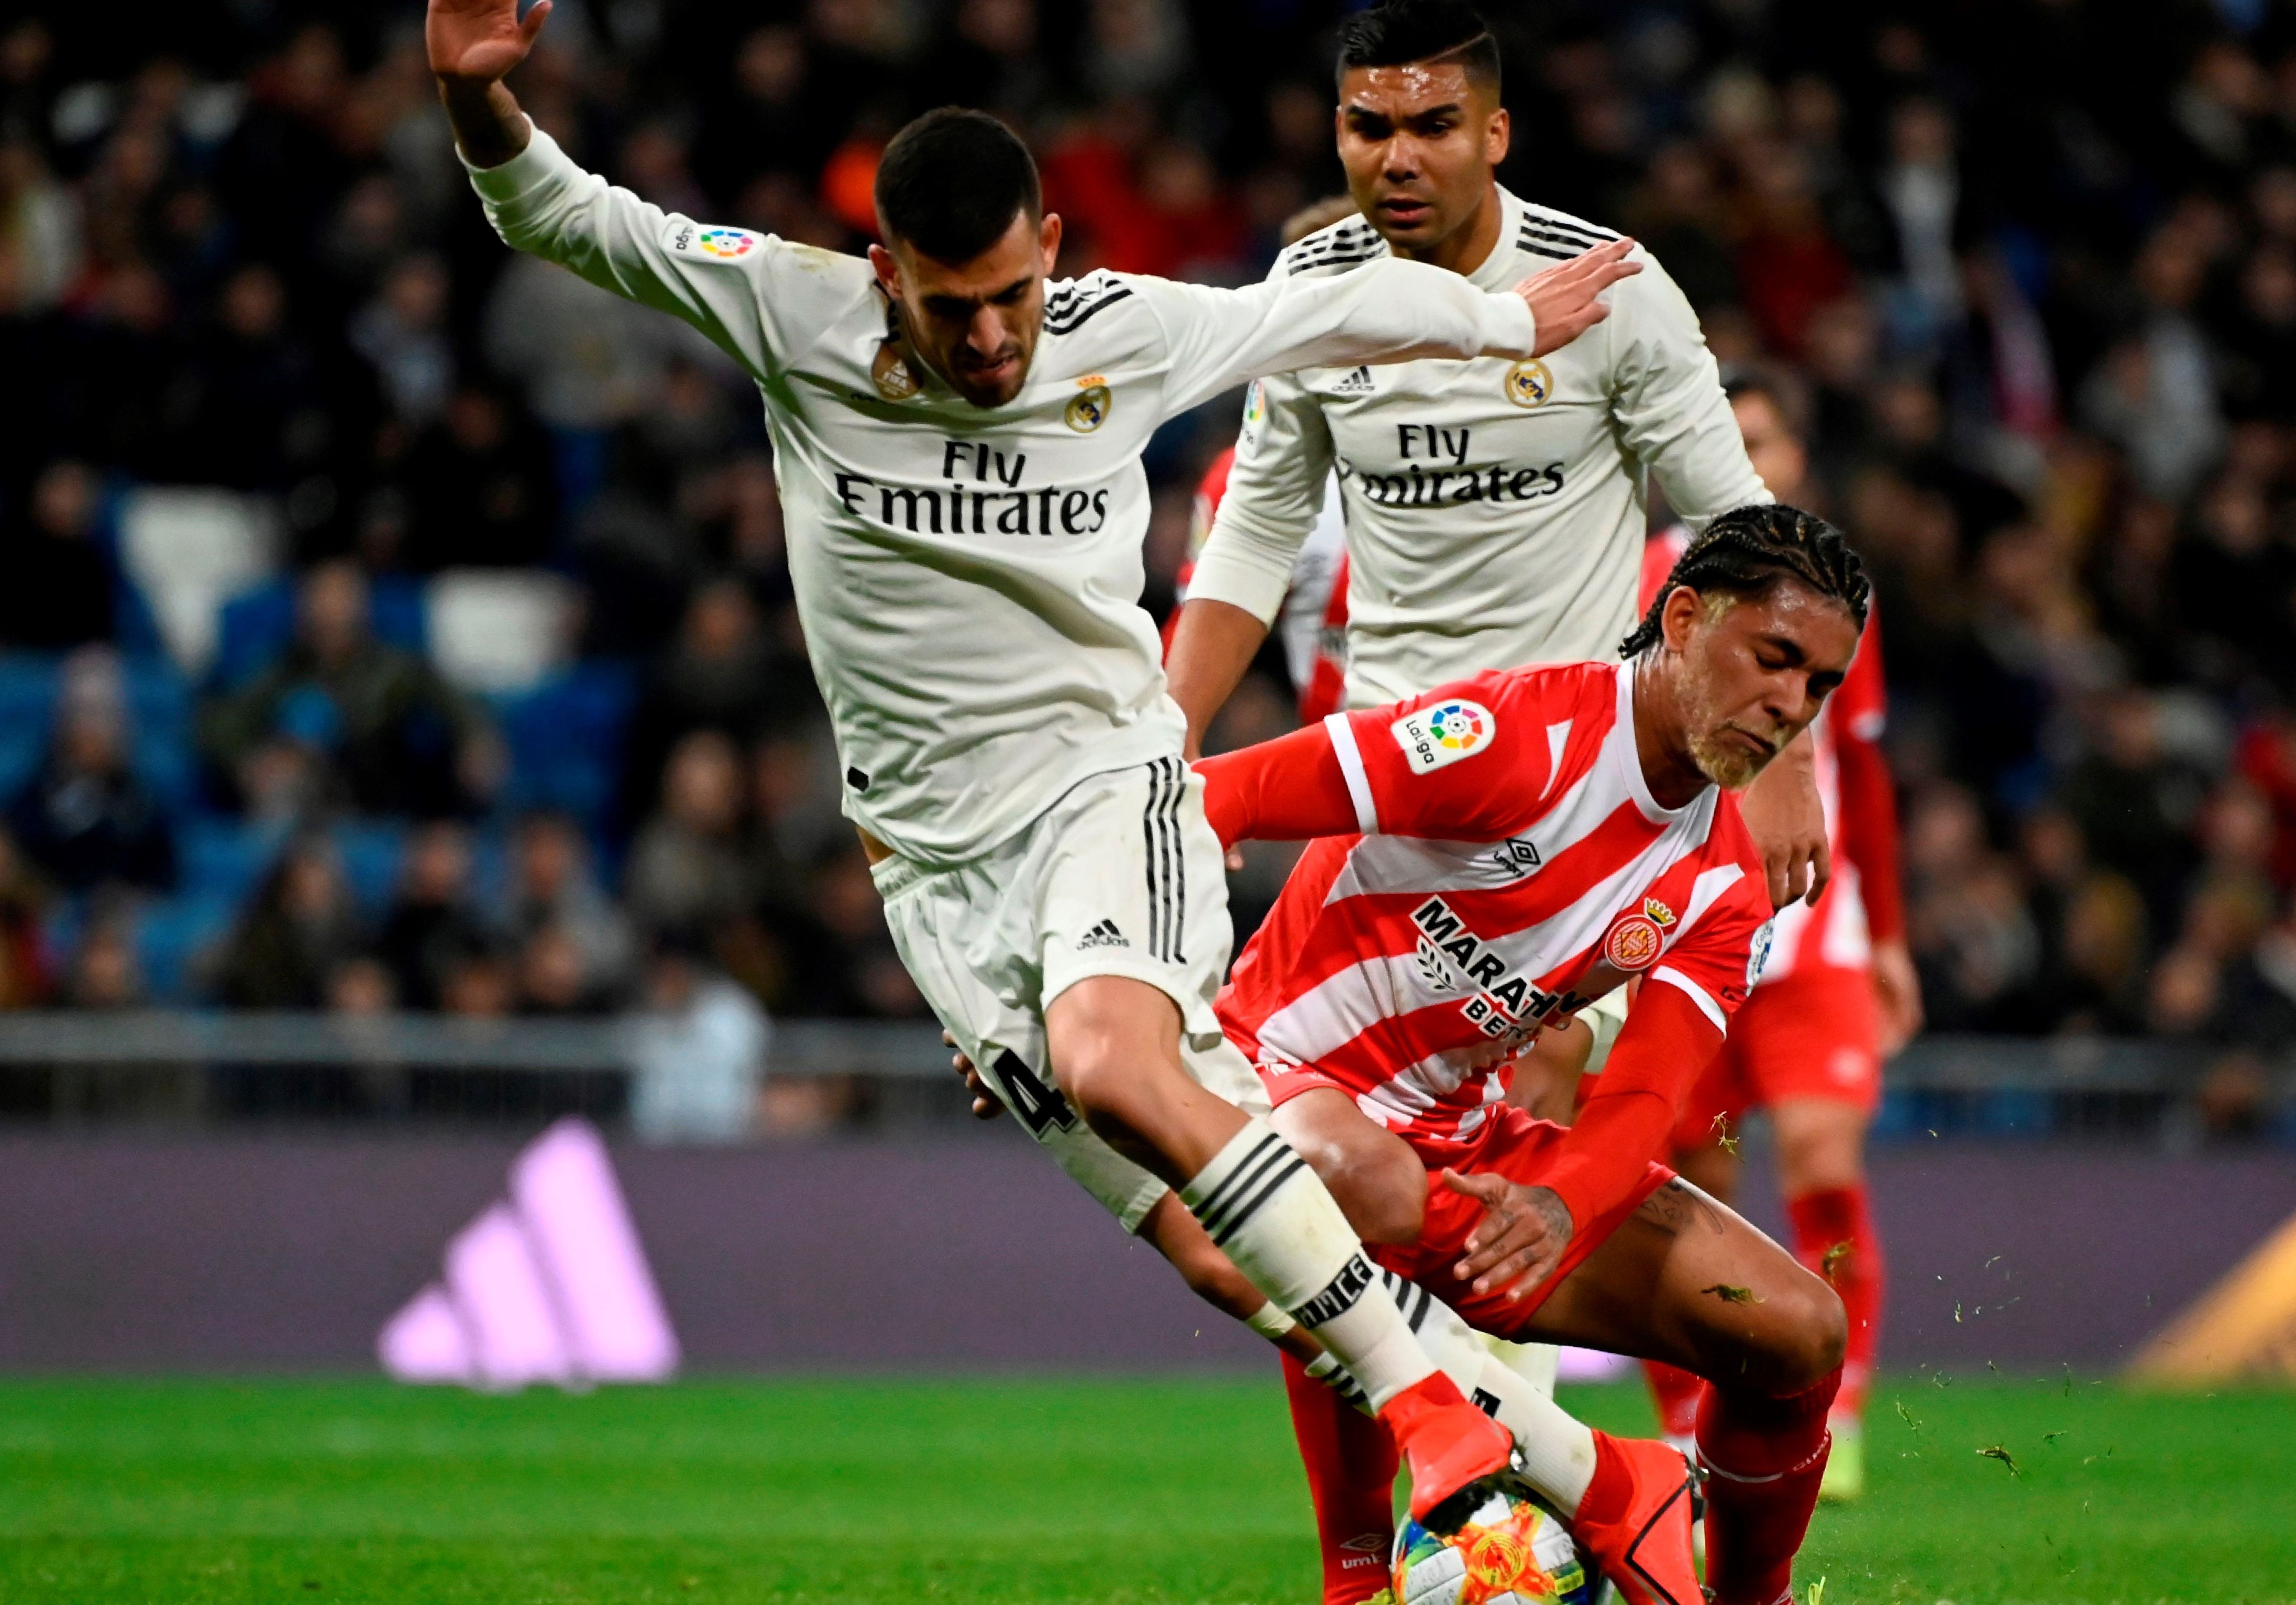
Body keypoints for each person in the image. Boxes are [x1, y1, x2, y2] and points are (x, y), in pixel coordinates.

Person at [428, 0, 1648, 1534]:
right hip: (940, 880)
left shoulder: (1123, 331)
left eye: (1014, 295)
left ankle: (1425, 1412)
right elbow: (563, 214)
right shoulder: (795, 317)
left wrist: (1508, 321)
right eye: (954, 312)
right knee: (1223, 1255)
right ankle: (1609, 1478)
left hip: (1109, 792)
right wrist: (475, 102)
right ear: (885, 276)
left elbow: (1320, 315)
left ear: (1054, 247)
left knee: (1115, 1064)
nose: (994, 339)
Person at [1096, 507, 1870, 1605]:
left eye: (1822, 686)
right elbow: (1214, 797)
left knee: (1797, 1328)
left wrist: (1562, 1204)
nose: (1791, 704)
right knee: (1332, 1163)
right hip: (1274, 1090)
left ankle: (1745, 1598)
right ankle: (1363, 1567)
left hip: (1455, 1147)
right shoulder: (1515, 734)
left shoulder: (1722, 883)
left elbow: (1648, 1089)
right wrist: (1069, 983)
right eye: (1775, 658)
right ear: (1686, 617)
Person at [1164, 0, 1830, 919]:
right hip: (1390, 783)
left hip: (1581, 794)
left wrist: (1789, 762)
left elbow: (1747, 528)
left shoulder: (1611, 293)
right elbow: (1258, 527)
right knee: (1282, 1060)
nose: (1400, 158)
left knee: (1545, 1065)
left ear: (1495, 133)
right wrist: (1171, 737)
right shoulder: (1315, 291)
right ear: (1338, 134)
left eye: (1435, 126)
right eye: (1372, 127)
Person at [1631, 378, 1916, 1504]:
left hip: (1817, 934)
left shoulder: (1845, 599)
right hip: (1686, 934)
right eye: (1732, 439)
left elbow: (1871, 766)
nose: (1753, 458)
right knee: (1679, 1188)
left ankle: (1833, 1411)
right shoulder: (1654, 577)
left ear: (1797, 452)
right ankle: (1688, 1434)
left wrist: (1890, 936)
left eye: (1769, 437)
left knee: (1822, 1160)